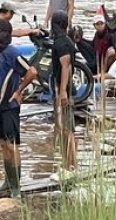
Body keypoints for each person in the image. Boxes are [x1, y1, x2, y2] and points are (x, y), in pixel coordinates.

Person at [0, 19, 38, 199]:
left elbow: (31, 72)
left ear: (5, 34)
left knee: (12, 145)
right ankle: (7, 183)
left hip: (9, 106)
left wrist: (19, 90)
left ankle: (15, 188)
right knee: (3, 144)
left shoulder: (12, 53)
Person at [49, 11, 76, 180]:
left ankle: (71, 166)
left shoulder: (62, 43)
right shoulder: (65, 41)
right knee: (63, 128)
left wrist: (63, 90)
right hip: (62, 86)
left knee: (66, 128)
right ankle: (68, 164)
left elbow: (66, 66)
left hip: (64, 88)